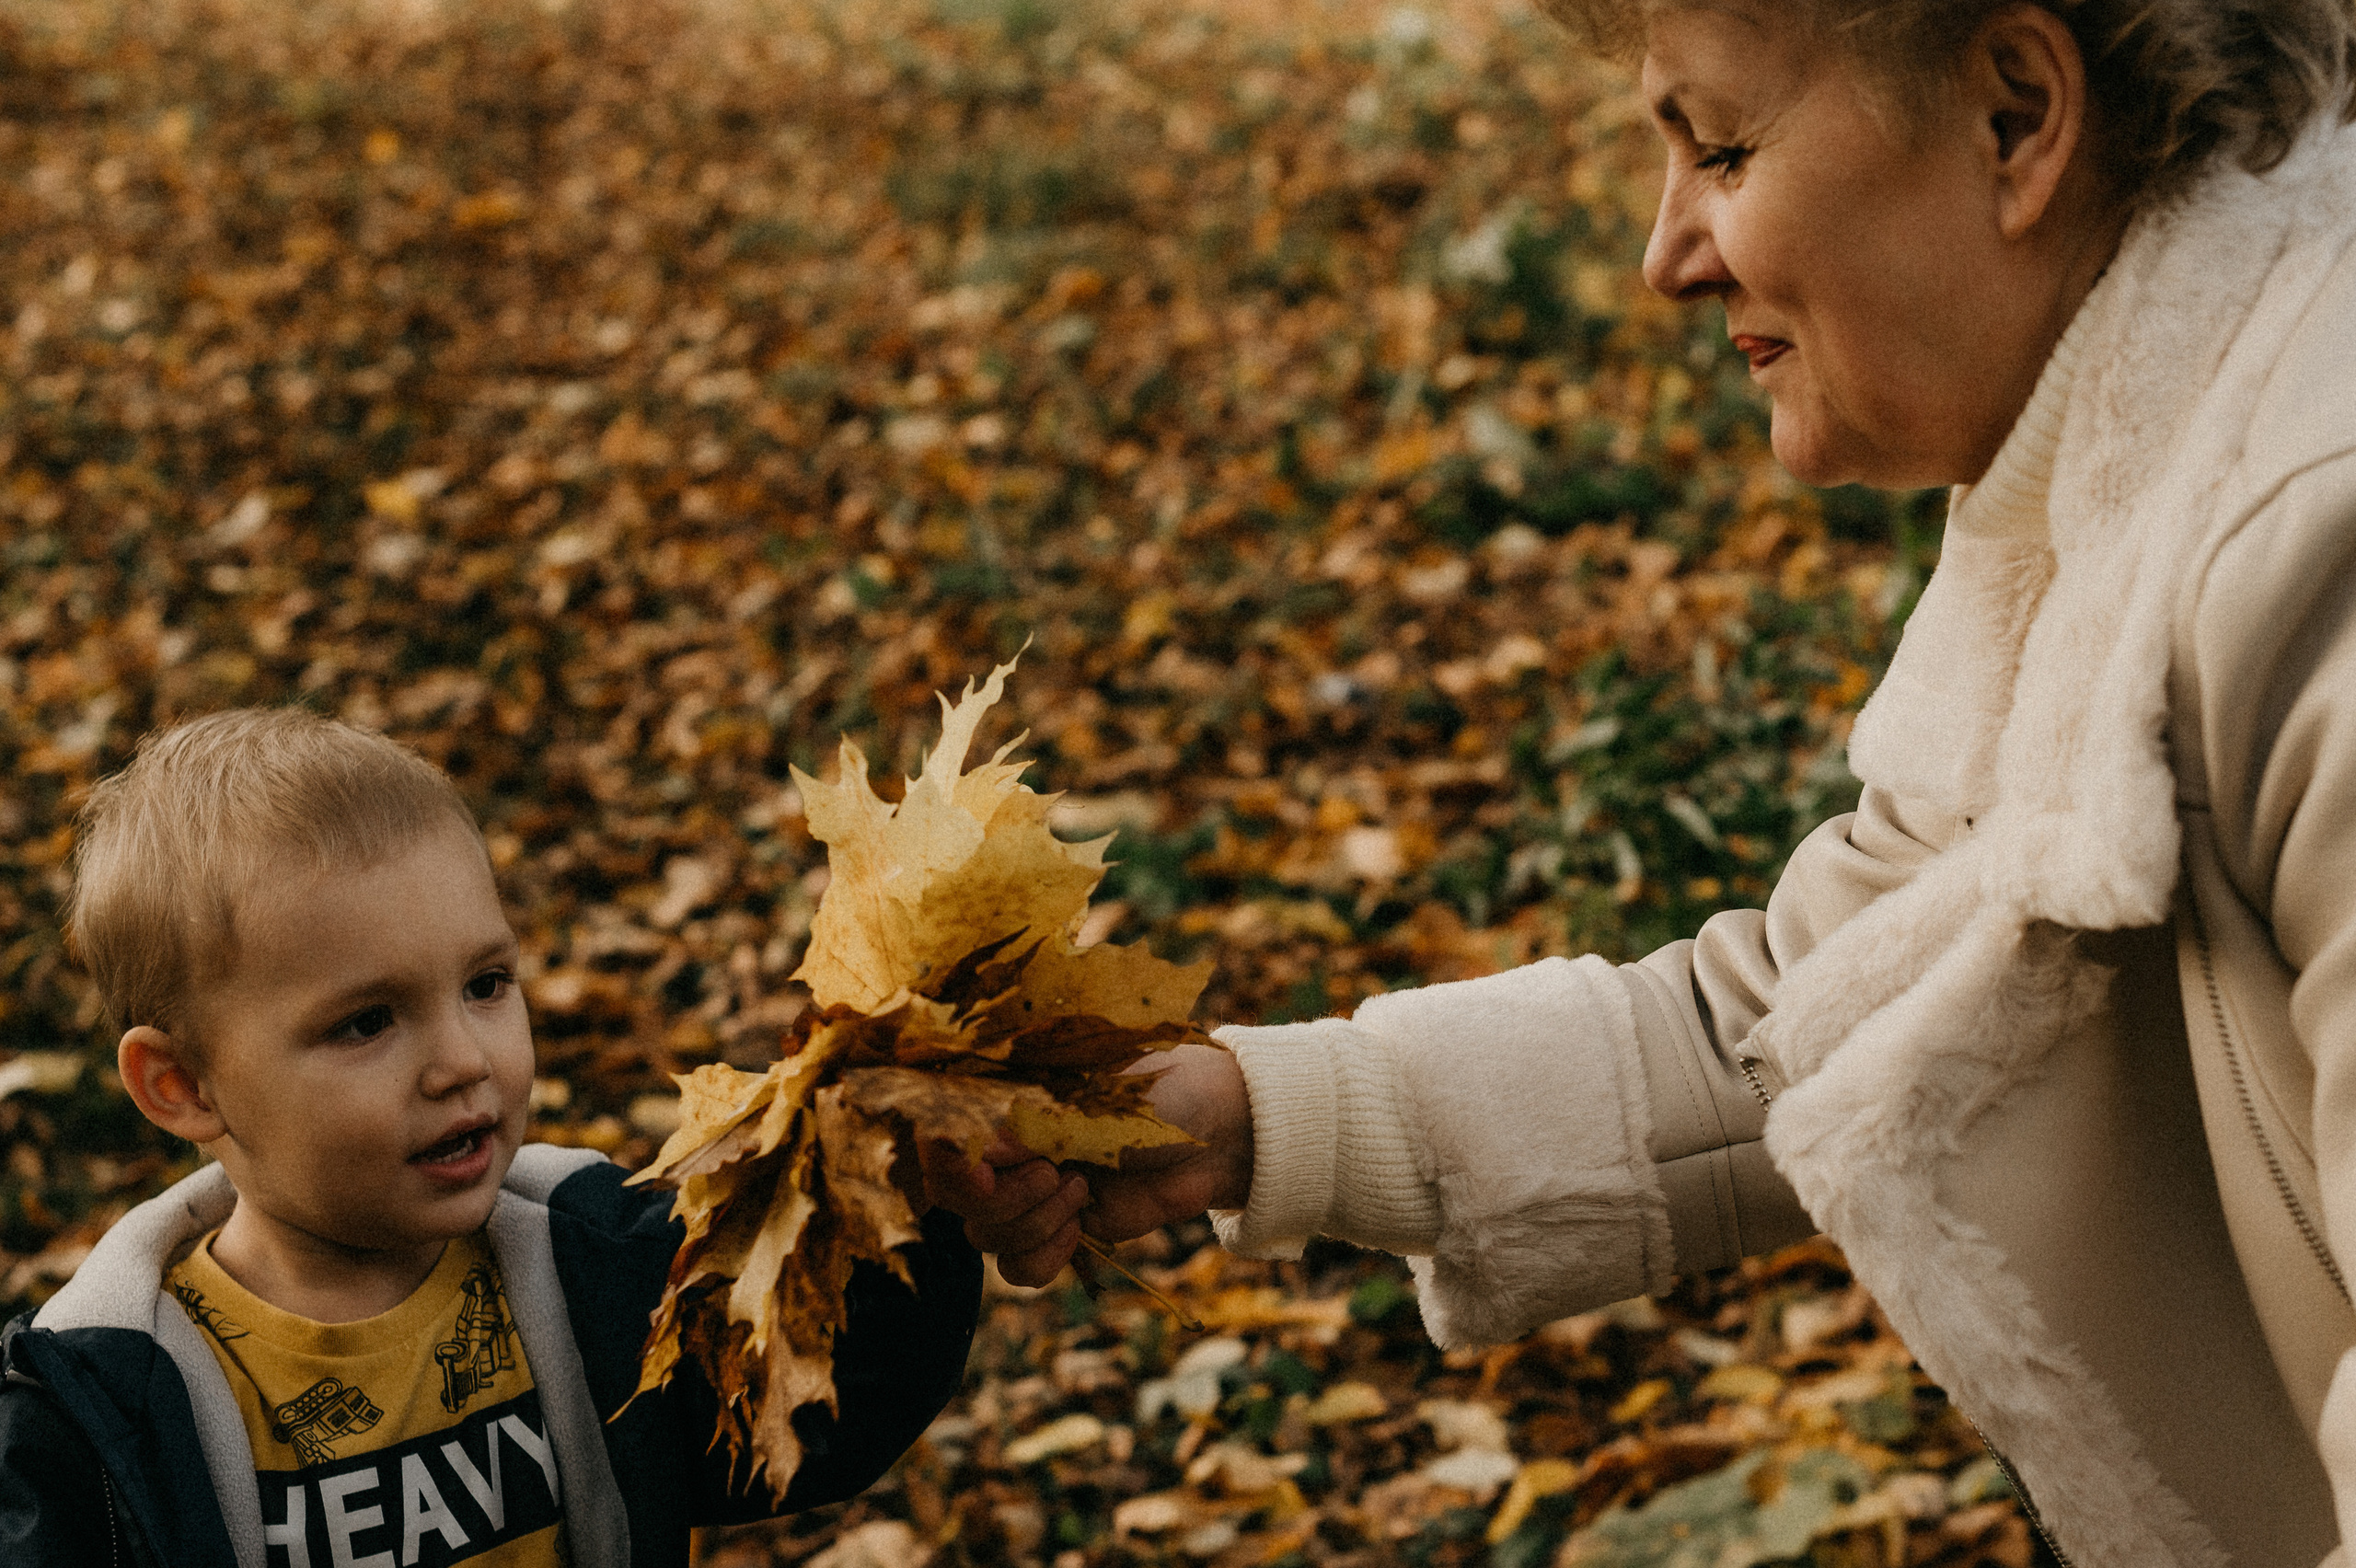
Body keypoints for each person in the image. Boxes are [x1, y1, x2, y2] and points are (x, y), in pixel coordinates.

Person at [937, 3, 2356, 1562]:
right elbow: (1817, 1013)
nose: (1665, 253)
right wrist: (1252, 1116)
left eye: (1723, 145)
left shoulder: (2315, 555)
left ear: (2018, 116)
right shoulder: (2126, 466)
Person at [0, 709, 985, 1568]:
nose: (460, 1061)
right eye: (367, 1022)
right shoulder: (108, 1412)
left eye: (485, 985)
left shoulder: (598, 1264)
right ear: (183, 1085)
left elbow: (812, 1416)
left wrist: (908, 1201)